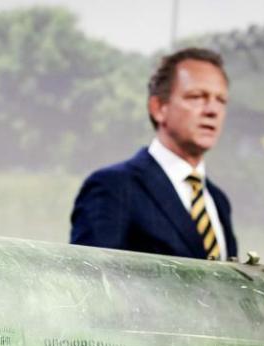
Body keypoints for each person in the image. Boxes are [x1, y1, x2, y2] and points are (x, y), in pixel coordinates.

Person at [70, 47, 238, 260]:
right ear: (158, 108)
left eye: (221, 100)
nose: (212, 110)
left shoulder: (218, 200)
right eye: (197, 97)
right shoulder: (113, 187)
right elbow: (90, 281)